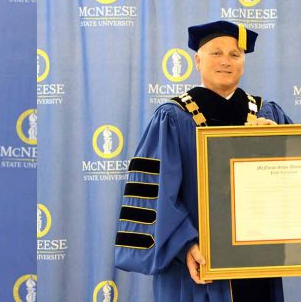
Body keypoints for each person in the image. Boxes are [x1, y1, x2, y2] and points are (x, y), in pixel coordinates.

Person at [114, 21, 290, 302]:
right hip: (196, 260)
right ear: (197, 60)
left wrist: (278, 144)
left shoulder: (266, 114)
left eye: (235, 54)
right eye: (216, 53)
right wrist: (185, 244)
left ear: (244, 61)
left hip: (256, 259)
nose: (226, 61)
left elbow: (297, 179)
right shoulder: (173, 117)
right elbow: (156, 191)